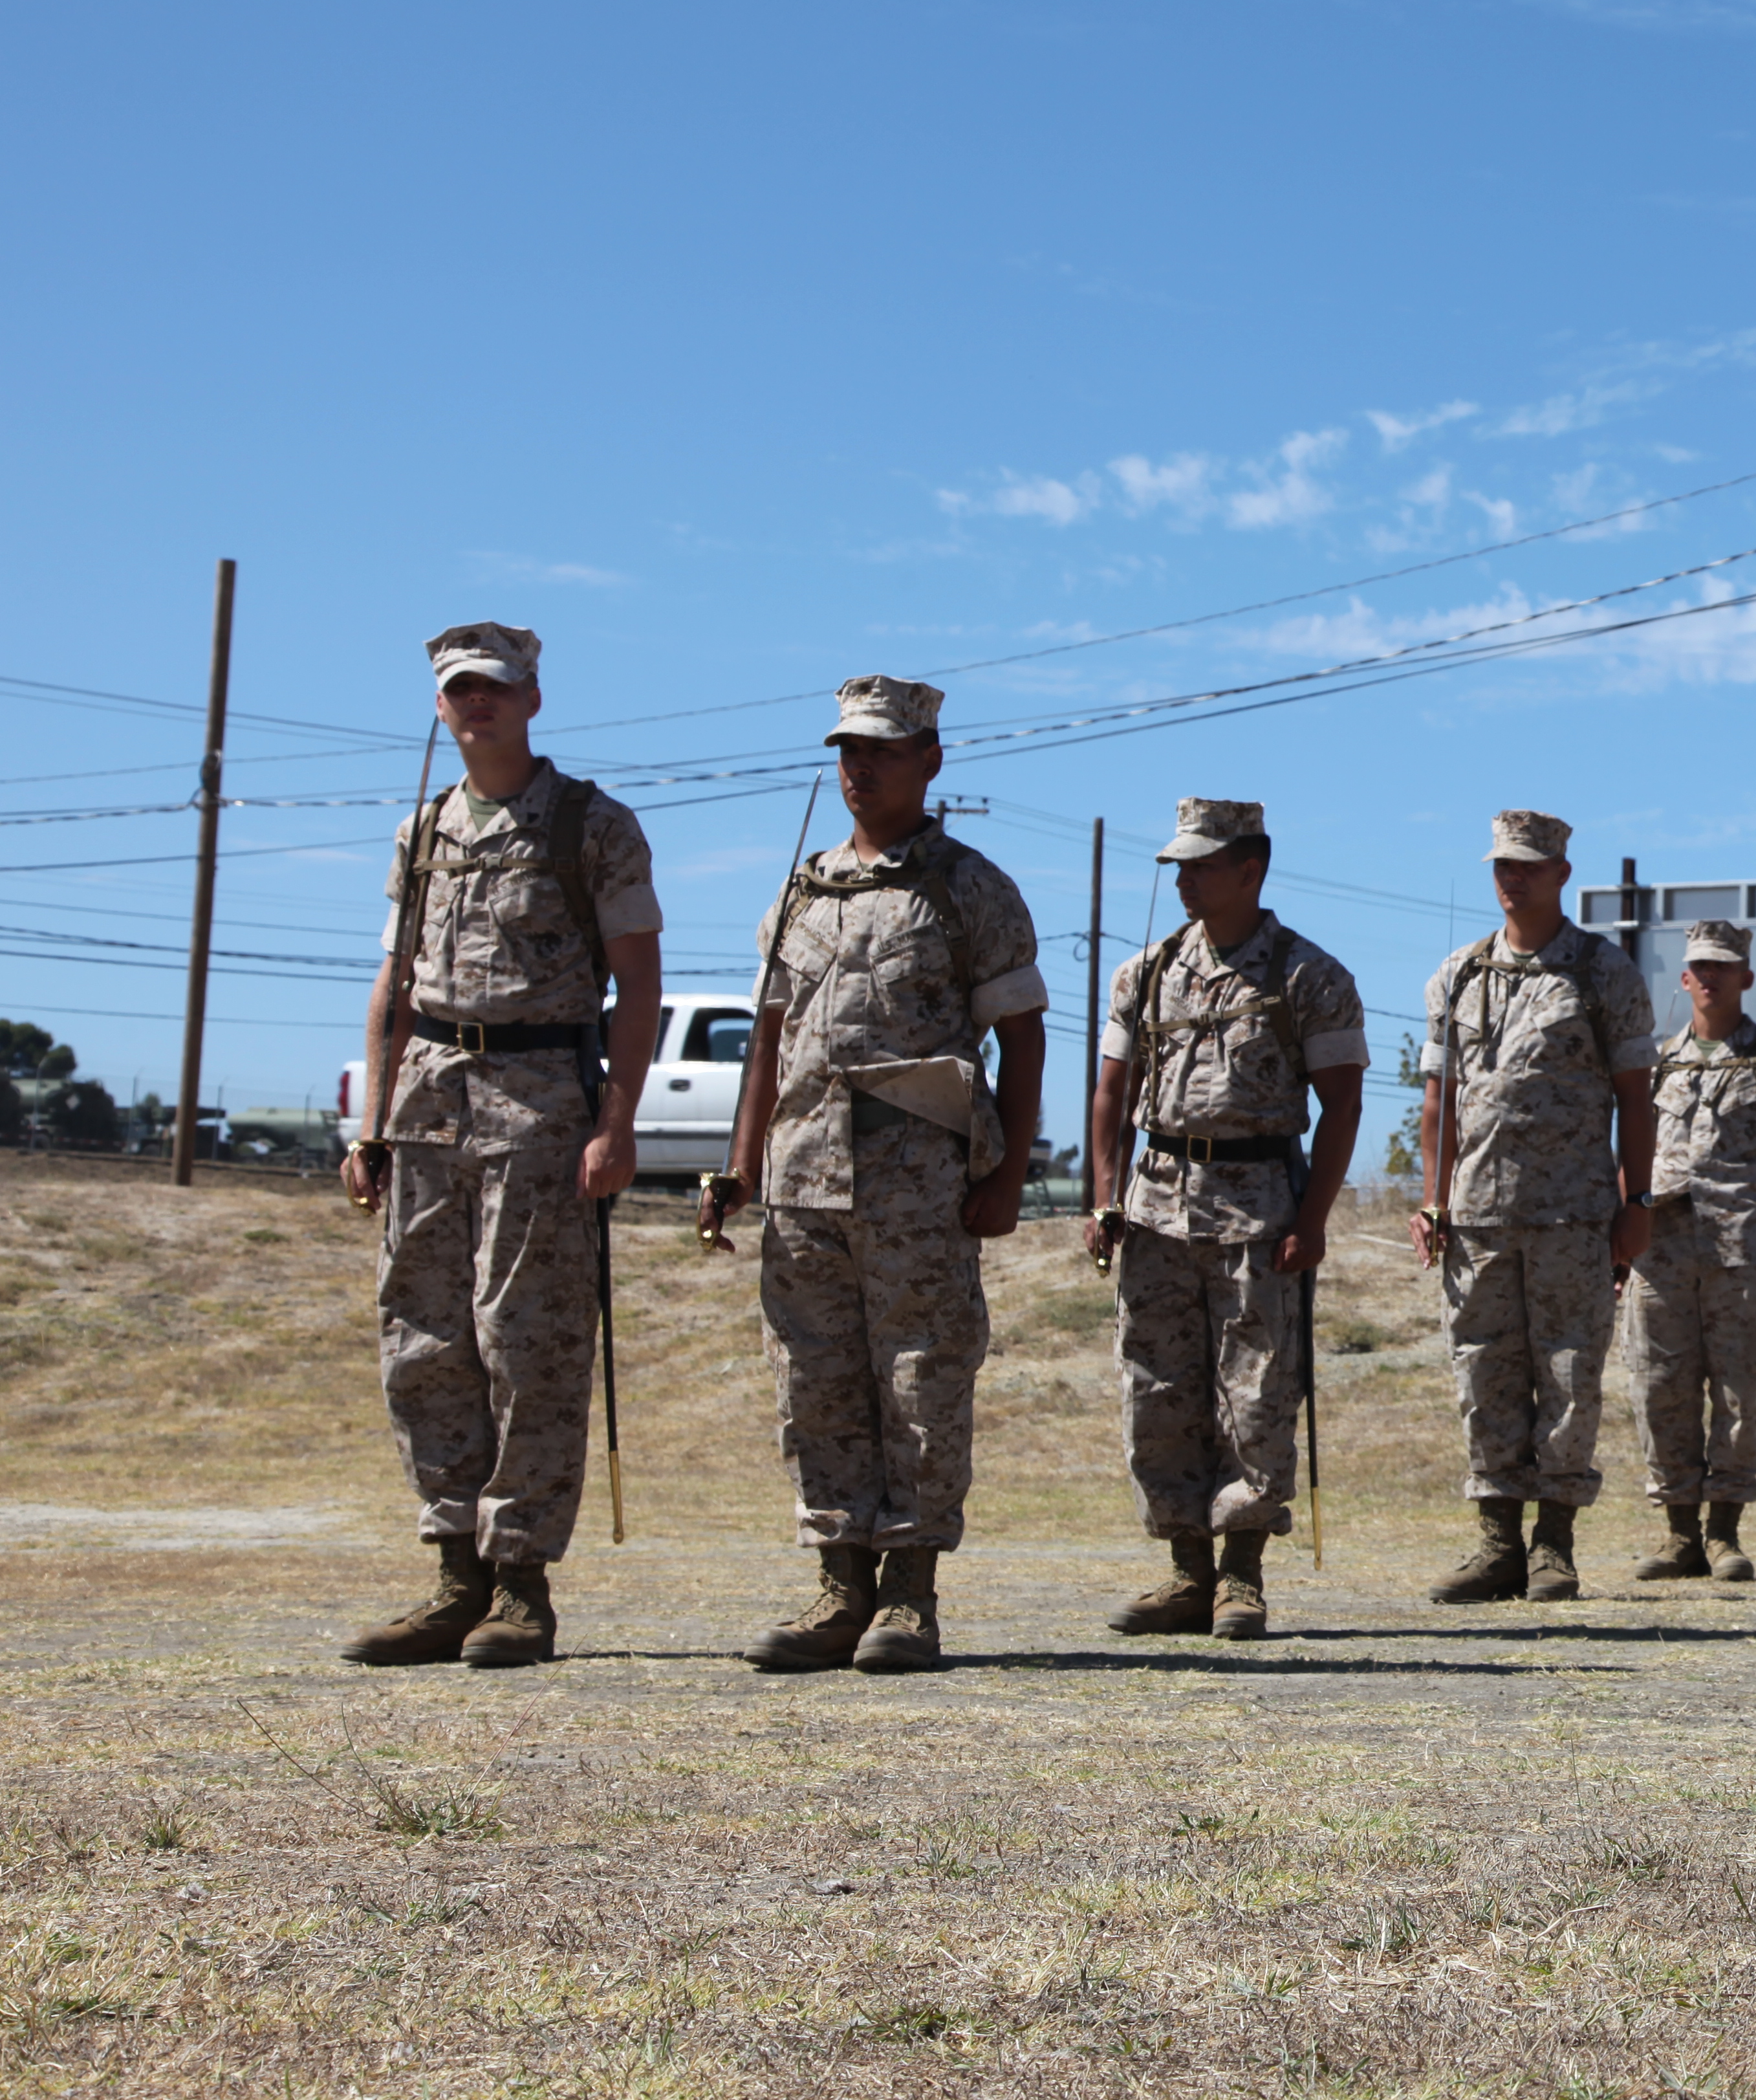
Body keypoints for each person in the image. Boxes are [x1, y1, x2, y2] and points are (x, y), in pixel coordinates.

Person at [700, 677, 1046, 1674]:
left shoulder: (968, 888)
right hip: (802, 1183)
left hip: (919, 1184)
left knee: (920, 1382)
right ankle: (837, 1587)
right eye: (849, 750)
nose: (860, 768)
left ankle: (909, 1595)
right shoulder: (800, 892)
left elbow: (1023, 1041)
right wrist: (740, 1165)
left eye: (884, 751)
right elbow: (768, 1043)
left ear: (931, 760)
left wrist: (1009, 1172)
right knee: (815, 1385)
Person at [336, 623, 663, 1670]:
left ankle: (521, 1581)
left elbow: (639, 981)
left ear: (532, 697)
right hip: (429, 1101)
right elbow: (395, 979)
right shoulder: (420, 830)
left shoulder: (592, 825)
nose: (477, 705)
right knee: (424, 1340)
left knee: (527, 1338)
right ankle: (452, 1571)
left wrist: (617, 1122)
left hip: (539, 1107)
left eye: (496, 688)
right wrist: (372, 1119)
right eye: (459, 691)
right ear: (441, 706)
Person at [1083, 798, 1369, 1640]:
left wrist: (1313, 1218)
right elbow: (1110, 1089)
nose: (1184, 878)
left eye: (1202, 864)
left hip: (1258, 1208)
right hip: (1157, 1204)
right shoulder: (1144, 973)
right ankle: (1184, 1573)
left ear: (1252, 868)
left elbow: (1344, 1104)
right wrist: (1105, 1194)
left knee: (1255, 1393)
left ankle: (1240, 1576)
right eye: (1178, 865)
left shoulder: (1308, 976)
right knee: (1160, 1390)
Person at [1408, 810, 1658, 1603]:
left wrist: (1637, 1200)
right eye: (1501, 866)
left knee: (1568, 1375)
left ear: (1560, 872)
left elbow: (1635, 1099)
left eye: (1527, 865)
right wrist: (1431, 1199)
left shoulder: (1601, 973)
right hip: (1475, 1217)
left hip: (1573, 1216)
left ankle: (1554, 1543)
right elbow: (1437, 1101)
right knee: (1482, 1375)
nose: (1511, 878)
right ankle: (1495, 1542)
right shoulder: (1458, 975)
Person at [1626, 918, 1756, 1583]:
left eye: (1723, 967)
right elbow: (1628, 1156)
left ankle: (1724, 1534)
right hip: (1662, 1251)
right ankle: (1679, 1534)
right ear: (1683, 980)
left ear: (1746, 978)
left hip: (1743, 1247)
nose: (1710, 977)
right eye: (1699, 968)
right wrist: (1622, 1239)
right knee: (1661, 1387)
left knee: (1742, 1387)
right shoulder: (1654, 1063)